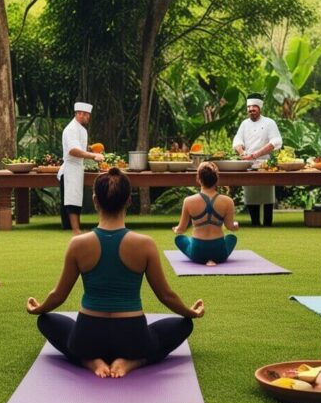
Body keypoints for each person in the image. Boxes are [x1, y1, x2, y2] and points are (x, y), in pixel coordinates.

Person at [27, 168, 205, 378]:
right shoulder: (145, 244)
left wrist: (39, 309)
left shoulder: (78, 244)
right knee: (183, 325)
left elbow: (59, 295)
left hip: (88, 334)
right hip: (132, 336)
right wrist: (190, 313)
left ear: (94, 200)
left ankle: (89, 361)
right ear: (129, 201)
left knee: (46, 322)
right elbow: (166, 295)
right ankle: (134, 361)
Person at [173, 162, 239, 265]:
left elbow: (181, 230)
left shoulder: (188, 201)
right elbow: (230, 227)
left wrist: (176, 229)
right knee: (232, 237)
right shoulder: (228, 201)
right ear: (216, 179)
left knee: (179, 239)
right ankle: (213, 259)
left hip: (198, 253)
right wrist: (236, 225)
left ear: (199, 179)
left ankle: (202, 256)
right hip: (219, 253)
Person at [233, 93, 282, 226]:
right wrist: (242, 152)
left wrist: (255, 154)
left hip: (265, 164)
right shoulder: (244, 124)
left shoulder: (269, 123)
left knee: (267, 195)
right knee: (251, 194)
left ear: (260, 108)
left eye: (254, 107)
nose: (251, 110)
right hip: (248, 164)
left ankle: (267, 223)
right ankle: (254, 222)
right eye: (249, 107)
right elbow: (237, 140)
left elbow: (276, 142)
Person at [58, 101, 105, 234]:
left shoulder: (81, 129)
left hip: (78, 167)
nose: (88, 118)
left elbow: (79, 147)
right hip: (71, 168)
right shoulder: (71, 129)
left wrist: (90, 149)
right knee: (72, 199)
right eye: (86, 115)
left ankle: (75, 226)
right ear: (79, 114)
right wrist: (93, 156)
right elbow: (73, 150)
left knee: (77, 198)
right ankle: (75, 229)